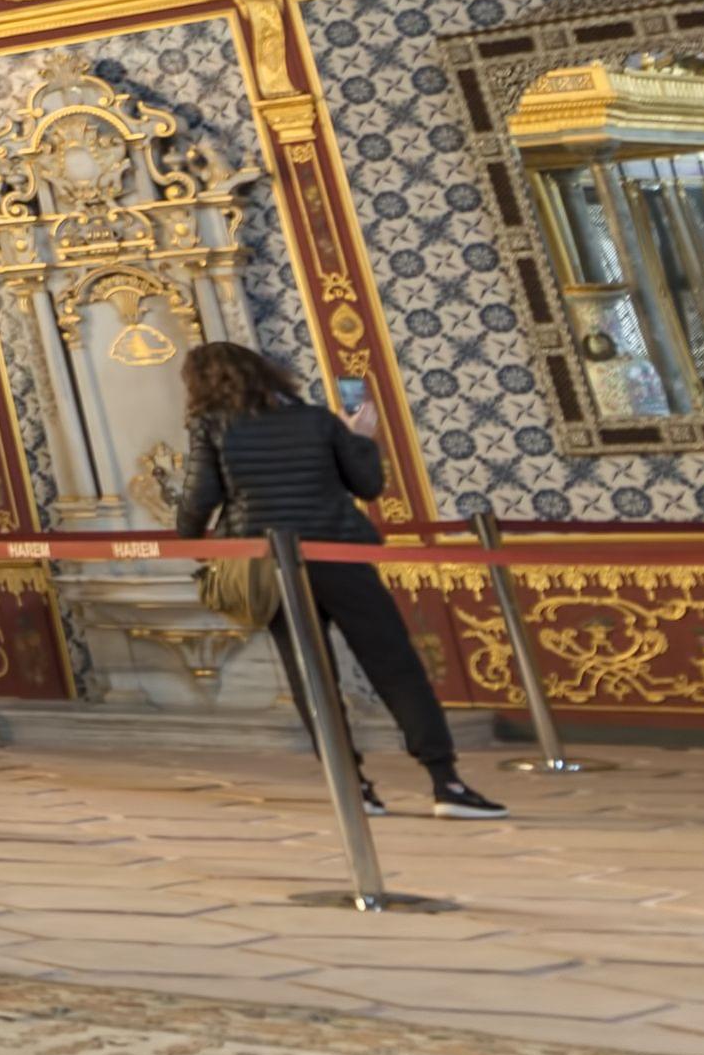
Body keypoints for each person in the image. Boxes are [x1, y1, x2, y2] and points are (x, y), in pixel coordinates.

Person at [169, 340, 503, 818]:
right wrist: (361, 437)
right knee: (395, 665)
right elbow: (367, 486)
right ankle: (445, 781)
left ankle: (354, 785)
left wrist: (190, 533)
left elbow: (200, 496)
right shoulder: (318, 420)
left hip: (271, 563)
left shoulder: (212, 426)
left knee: (311, 675)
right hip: (339, 551)